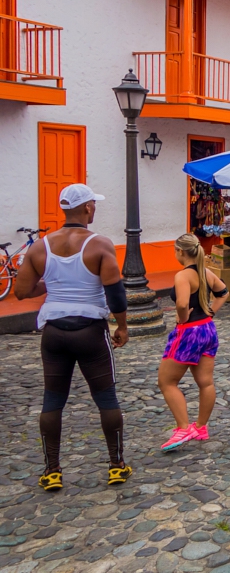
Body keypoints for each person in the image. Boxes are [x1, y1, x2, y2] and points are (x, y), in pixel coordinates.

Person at [13, 184, 132, 491]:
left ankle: (52, 470)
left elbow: (22, 290)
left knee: (52, 400)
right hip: (89, 330)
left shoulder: (40, 247)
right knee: (106, 398)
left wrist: (53, 284)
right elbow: (115, 294)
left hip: (54, 332)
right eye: (95, 205)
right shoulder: (100, 245)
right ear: (88, 209)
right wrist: (122, 327)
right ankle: (116, 465)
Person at [158, 234, 229, 451]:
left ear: (180, 251)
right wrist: (210, 312)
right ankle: (201, 427)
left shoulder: (183, 276)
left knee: (167, 382)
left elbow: (181, 303)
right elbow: (223, 292)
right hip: (208, 329)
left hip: (189, 332)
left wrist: (182, 316)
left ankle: (183, 428)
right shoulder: (206, 273)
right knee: (205, 382)